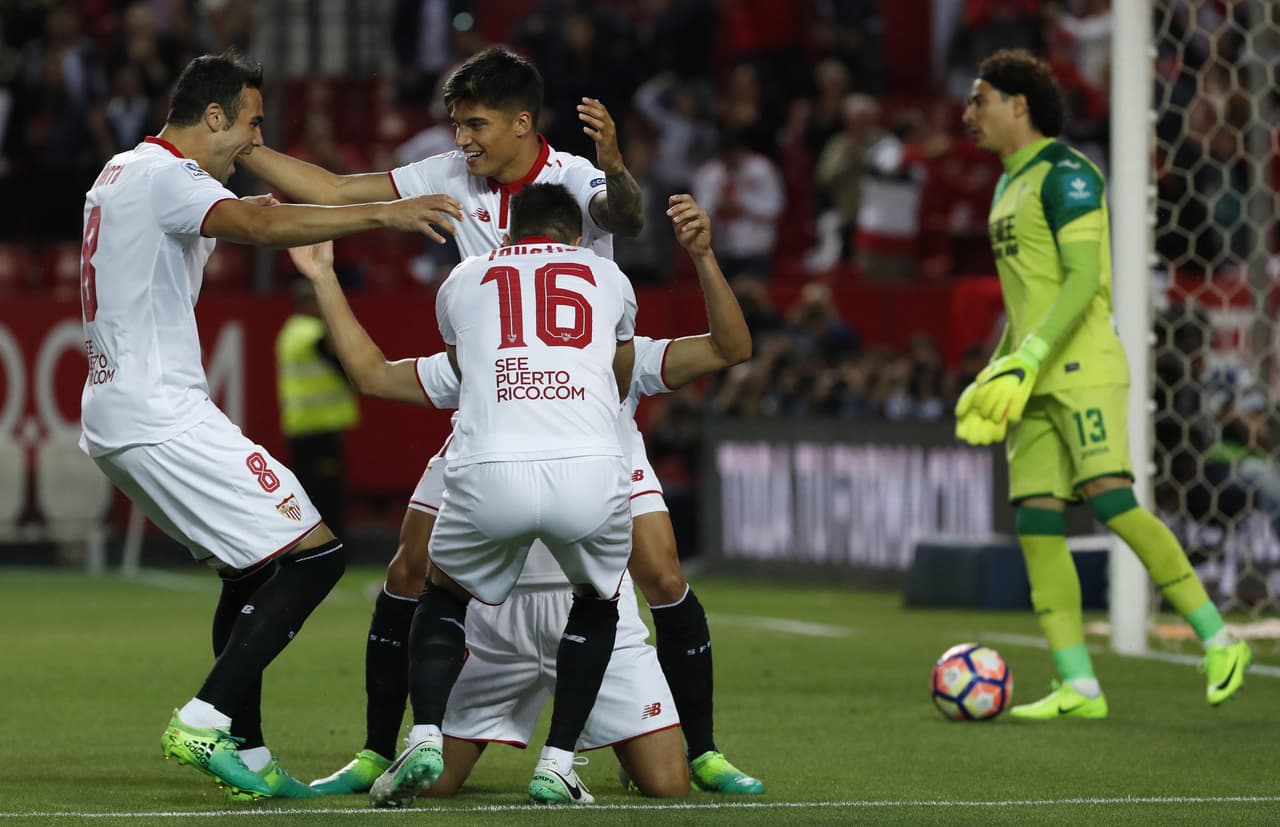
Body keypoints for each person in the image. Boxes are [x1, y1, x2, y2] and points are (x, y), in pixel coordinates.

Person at [241, 46, 762, 794]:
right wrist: (251, 150)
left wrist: (615, 163)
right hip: (497, 396)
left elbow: (627, 215)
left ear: (523, 122)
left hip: (588, 403)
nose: (463, 142)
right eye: (456, 125)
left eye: (475, 125)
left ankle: (700, 745)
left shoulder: (576, 179)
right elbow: (330, 187)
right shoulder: (450, 177)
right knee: (408, 566)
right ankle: (376, 747)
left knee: (659, 570)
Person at [77, 49, 462, 800]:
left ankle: (247, 755)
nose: (254, 142)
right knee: (315, 556)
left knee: (250, 568)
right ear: (212, 115)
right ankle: (202, 715)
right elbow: (255, 221)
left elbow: (251, 213)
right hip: (160, 407)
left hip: (115, 409)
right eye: (250, 124)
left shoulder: (114, 173)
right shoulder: (167, 175)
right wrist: (382, 212)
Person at [293, 192, 749, 801]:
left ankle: (429, 735)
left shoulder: (487, 330)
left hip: (502, 513)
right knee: (596, 594)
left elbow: (374, 373)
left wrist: (325, 277)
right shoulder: (604, 299)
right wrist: (701, 256)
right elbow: (726, 349)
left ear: (507, 234)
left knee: (666, 782)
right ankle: (528, 758)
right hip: (508, 610)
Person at [954, 49, 1252, 719]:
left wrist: (1027, 358)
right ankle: (1078, 684)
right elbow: (1029, 299)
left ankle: (1220, 637)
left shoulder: (1069, 175)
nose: (968, 114)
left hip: (1082, 365)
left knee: (1111, 499)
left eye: (980, 100)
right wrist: (998, 366)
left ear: (1018, 106)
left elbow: (1083, 280)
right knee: (1036, 520)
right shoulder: (1007, 185)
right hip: (1032, 373)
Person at [275, 280, 359, 540]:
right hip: (320, 426)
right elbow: (345, 366)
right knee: (327, 495)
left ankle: (307, 542)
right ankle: (332, 544)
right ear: (305, 304)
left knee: (308, 492)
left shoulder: (289, 332)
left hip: (300, 424)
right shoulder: (312, 333)